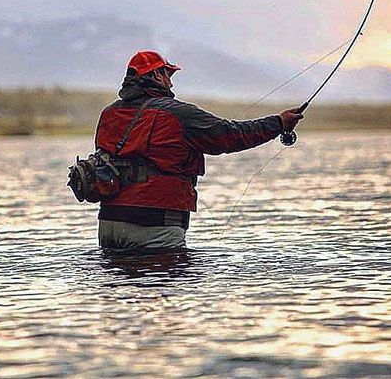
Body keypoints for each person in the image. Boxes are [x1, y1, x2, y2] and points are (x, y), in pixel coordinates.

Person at [94, 50, 304, 250]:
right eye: (168, 74)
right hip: (154, 223)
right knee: (164, 283)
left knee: (119, 284)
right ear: (157, 75)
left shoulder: (108, 113)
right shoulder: (177, 113)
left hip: (108, 223)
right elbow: (231, 136)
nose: (171, 81)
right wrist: (278, 123)